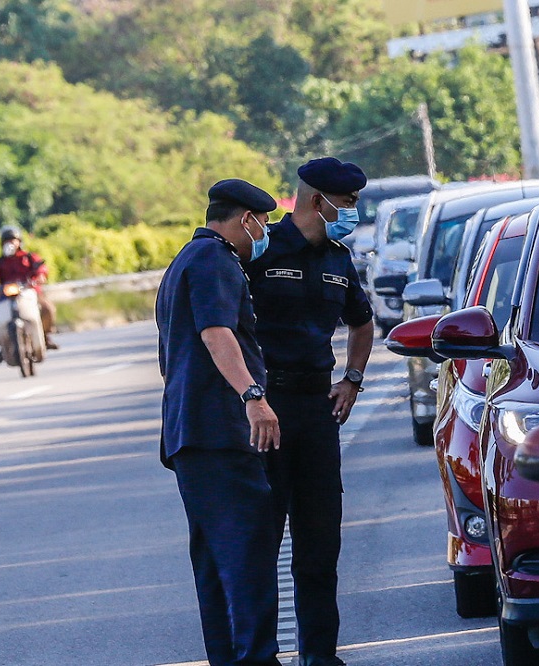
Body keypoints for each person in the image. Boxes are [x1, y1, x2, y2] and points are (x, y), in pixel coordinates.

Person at [245, 157, 374, 666]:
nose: (353, 211)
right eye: (346, 203)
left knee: (319, 546)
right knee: (260, 542)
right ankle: (260, 655)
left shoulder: (340, 259)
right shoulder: (259, 250)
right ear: (317, 201)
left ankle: (320, 656)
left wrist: (353, 379)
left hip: (317, 412)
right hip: (265, 411)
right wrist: (251, 398)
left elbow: (362, 325)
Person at [155, 178, 283, 666]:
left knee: (215, 559)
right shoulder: (214, 260)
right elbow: (216, 332)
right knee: (247, 553)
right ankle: (256, 658)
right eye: (263, 224)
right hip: (219, 432)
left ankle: (231, 658)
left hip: (192, 433)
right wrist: (253, 395)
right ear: (245, 219)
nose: (263, 233)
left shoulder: (185, 260)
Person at [0, 225, 58, 362]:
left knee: (48, 308)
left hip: (29, 293)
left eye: (13, 240)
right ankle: (3, 344)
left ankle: (45, 336)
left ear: (19, 242)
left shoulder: (29, 257)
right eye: (6, 241)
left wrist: (40, 276)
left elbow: (41, 268)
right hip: (6, 296)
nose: (10, 244)